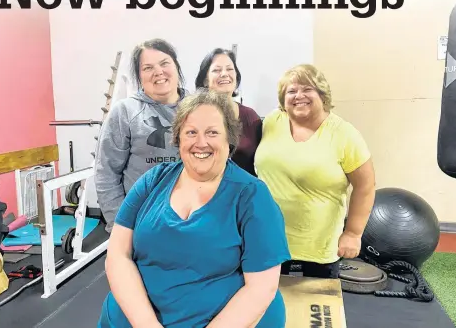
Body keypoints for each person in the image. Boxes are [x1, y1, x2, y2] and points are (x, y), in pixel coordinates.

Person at [98, 90, 291, 328]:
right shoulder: (152, 182)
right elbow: (118, 255)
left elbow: (262, 286)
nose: (201, 142)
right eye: (191, 132)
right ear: (178, 138)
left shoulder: (252, 195)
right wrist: (146, 323)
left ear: (228, 139)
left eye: (212, 132)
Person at [254, 64, 376, 279]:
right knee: (269, 304)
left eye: (307, 89)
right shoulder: (273, 121)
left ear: (322, 94)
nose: (298, 96)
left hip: (318, 245)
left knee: (318, 307)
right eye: (291, 91)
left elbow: (365, 186)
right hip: (270, 237)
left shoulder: (344, 134)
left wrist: (353, 233)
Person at [94, 38, 187, 233]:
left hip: (190, 220)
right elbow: (106, 174)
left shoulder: (197, 108)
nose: (158, 72)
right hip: (142, 223)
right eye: (148, 68)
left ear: (176, 66)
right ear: (139, 75)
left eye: (164, 63)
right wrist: (120, 226)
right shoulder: (125, 111)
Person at [195, 48, 262, 176]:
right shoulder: (194, 115)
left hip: (245, 191)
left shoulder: (250, 117)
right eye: (217, 70)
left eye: (230, 69)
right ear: (205, 80)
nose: (224, 74)